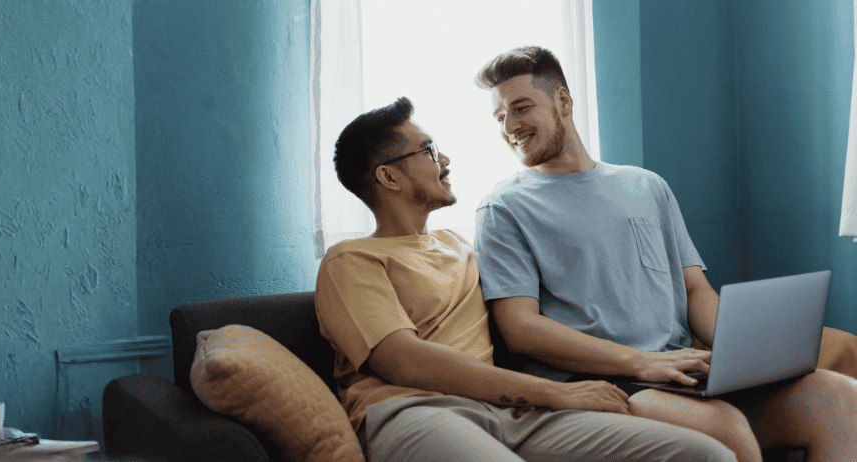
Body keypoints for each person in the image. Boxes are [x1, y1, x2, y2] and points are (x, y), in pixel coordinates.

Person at [473, 45, 857, 462]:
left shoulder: (646, 186)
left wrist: (741, 355)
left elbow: (695, 290)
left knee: (839, 396)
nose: (509, 126)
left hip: (678, 372)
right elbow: (520, 328)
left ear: (562, 101)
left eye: (520, 107)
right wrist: (638, 362)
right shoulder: (503, 208)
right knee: (725, 430)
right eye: (499, 117)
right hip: (603, 379)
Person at [315, 96, 737, 462]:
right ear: (388, 177)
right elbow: (406, 361)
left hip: (507, 413)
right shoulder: (350, 262)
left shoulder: (459, 246)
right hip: (416, 413)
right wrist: (556, 393)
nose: (444, 160)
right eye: (428, 151)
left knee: (705, 453)